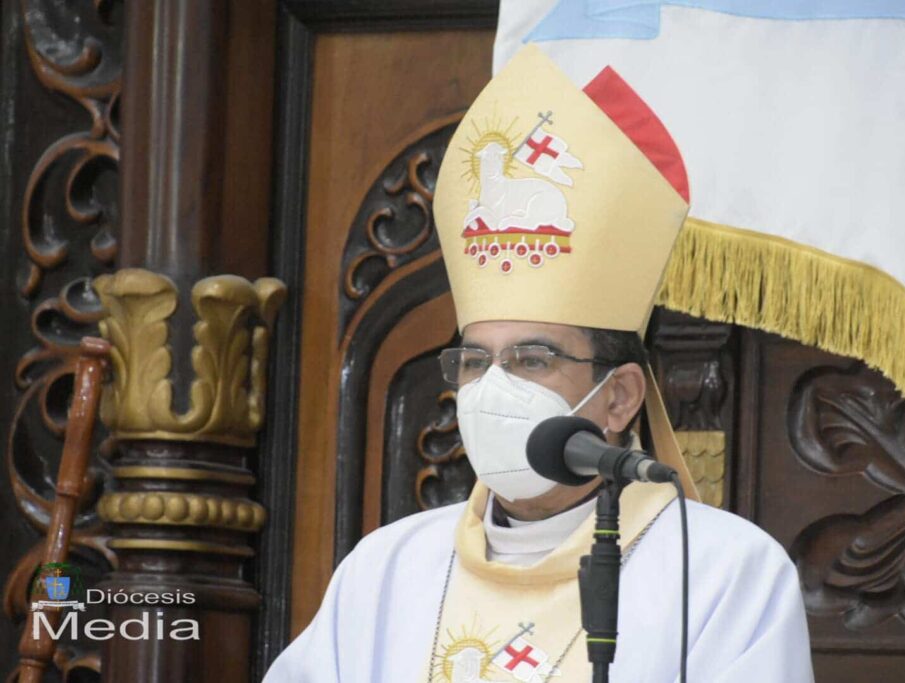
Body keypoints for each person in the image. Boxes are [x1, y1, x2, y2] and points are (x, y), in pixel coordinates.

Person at [264, 46, 814, 683]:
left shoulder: (723, 570)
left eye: (532, 359)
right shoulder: (385, 568)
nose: (492, 387)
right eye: (474, 361)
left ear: (619, 396)